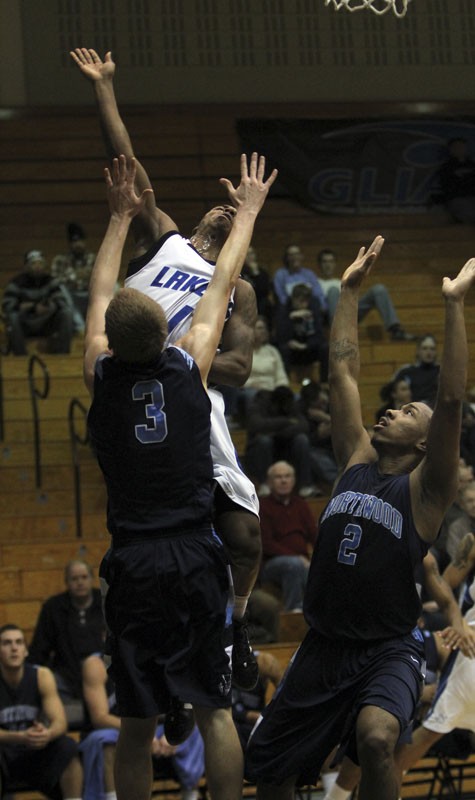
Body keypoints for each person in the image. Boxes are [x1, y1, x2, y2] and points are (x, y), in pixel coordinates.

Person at [245, 235, 475, 800]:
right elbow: (342, 373)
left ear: (424, 443)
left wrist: (453, 306)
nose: (393, 409)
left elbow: (447, 401)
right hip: (324, 643)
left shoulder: (426, 489)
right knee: (268, 770)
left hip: (386, 647)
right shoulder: (356, 456)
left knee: (377, 738)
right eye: (397, 406)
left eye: (406, 412)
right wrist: (347, 292)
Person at [82, 153, 276, 800]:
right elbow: (221, 281)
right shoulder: (189, 364)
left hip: (134, 558)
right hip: (194, 551)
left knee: (135, 723)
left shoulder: (99, 375)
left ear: (109, 340)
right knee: (213, 710)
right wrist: (247, 211)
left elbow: (99, 291)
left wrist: (116, 222)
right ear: (164, 331)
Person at [71, 47, 264, 691]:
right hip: (129, 383)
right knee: (141, 530)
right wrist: (105, 90)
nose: (223, 209)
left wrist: (183, 351)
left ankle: (231, 631)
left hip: (189, 389)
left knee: (245, 538)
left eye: (237, 214)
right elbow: (125, 160)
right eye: (221, 204)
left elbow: (236, 365)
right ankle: (142, 648)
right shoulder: (168, 236)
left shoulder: (236, 287)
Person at [79, 653, 205, 800]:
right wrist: (142, 733)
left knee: (194, 733)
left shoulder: (157, 659)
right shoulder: (96, 665)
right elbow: (100, 718)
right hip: (114, 729)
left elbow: (185, 703)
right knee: (106, 740)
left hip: (155, 727)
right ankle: (111, 797)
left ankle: (190, 794)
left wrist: (174, 731)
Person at [0, 623, 83, 800]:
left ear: (26, 651)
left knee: (67, 747)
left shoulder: (41, 676)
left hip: (33, 751)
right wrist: (21, 736)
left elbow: (60, 722)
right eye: (7, 643)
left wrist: (47, 733)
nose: (14, 648)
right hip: (4, 752)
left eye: (19, 642)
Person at [28, 559, 105, 706]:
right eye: (74, 579)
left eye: (84, 577)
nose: (80, 583)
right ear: (66, 582)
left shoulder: (104, 602)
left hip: (103, 675)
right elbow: (40, 647)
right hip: (66, 676)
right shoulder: (53, 607)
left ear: (91, 578)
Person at [316, 247, 414, 341]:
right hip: (328, 318)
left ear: (335, 264)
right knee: (333, 291)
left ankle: (395, 330)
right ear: (320, 264)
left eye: (331, 261)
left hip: (348, 313)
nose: (328, 265)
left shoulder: (341, 281)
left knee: (379, 289)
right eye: (325, 262)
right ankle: (338, 333)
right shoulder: (316, 283)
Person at [259, 461, 317, 611]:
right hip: (272, 564)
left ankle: (316, 610)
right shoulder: (262, 506)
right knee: (294, 565)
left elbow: (314, 535)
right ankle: (294, 610)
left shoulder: (301, 504)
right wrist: (296, 557)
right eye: (278, 477)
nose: (284, 480)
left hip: (302, 561)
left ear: (294, 480)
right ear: (270, 482)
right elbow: (266, 544)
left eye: (287, 476)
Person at [245, 386, 320, 498]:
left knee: (302, 439)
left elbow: (304, 426)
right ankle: (264, 484)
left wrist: (275, 431)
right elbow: (256, 425)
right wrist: (287, 421)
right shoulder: (261, 402)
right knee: (264, 441)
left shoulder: (289, 402)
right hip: (260, 451)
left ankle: (305, 485)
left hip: (284, 446)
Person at [2, 249, 74, 355]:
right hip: (25, 324)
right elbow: (7, 305)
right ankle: (20, 356)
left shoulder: (51, 281)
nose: (37, 266)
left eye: (40, 263)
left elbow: (61, 301)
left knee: (66, 313)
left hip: (46, 323)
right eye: (33, 263)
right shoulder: (16, 283)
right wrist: (31, 307)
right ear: (26, 266)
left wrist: (49, 306)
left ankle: (63, 354)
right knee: (12, 317)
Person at [275, 283, 329, 381]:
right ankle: (285, 382)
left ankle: (324, 382)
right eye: (301, 301)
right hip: (293, 351)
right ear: (293, 299)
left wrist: (306, 346)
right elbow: (280, 336)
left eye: (306, 301)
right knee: (283, 349)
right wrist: (291, 318)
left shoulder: (312, 308)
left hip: (308, 348)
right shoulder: (284, 309)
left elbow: (319, 336)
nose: (304, 304)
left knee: (325, 348)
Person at [232, 651, 284, 751]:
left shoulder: (265, 662)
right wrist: (247, 715)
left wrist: (270, 711)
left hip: (255, 725)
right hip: (232, 720)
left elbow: (284, 692)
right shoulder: (219, 665)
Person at [51, 222, 96, 333]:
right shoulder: (60, 260)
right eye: (75, 241)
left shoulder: (94, 258)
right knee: (61, 289)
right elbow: (54, 282)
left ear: (85, 242)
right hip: (72, 297)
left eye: (80, 241)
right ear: (70, 244)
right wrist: (75, 275)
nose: (78, 244)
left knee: (114, 286)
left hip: (90, 295)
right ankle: (80, 327)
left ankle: (103, 326)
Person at [273, 244, 327, 312]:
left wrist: (323, 306)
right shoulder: (281, 274)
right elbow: (281, 296)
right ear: (287, 258)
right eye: (291, 255)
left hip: (309, 307)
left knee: (315, 302)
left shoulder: (309, 274)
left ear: (301, 256)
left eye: (297, 254)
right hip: (289, 308)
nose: (294, 257)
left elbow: (318, 293)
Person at [435, 137, 475, 225]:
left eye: (462, 147)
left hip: (472, 197)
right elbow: (448, 186)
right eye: (456, 147)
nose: (460, 149)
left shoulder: (472, 165)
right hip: (457, 199)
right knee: (468, 211)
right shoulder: (446, 167)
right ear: (451, 150)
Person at [394, 334, 440, 406]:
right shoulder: (405, 371)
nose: (429, 352)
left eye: (432, 349)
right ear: (418, 351)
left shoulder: (442, 372)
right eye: (425, 348)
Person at [241, 246, 274, 328]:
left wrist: (256, 274)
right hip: (244, 306)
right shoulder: (240, 273)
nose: (249, 256)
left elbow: (264, 292)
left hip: (260, 305)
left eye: (251, 253)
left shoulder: (262, 272)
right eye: (247, 254)